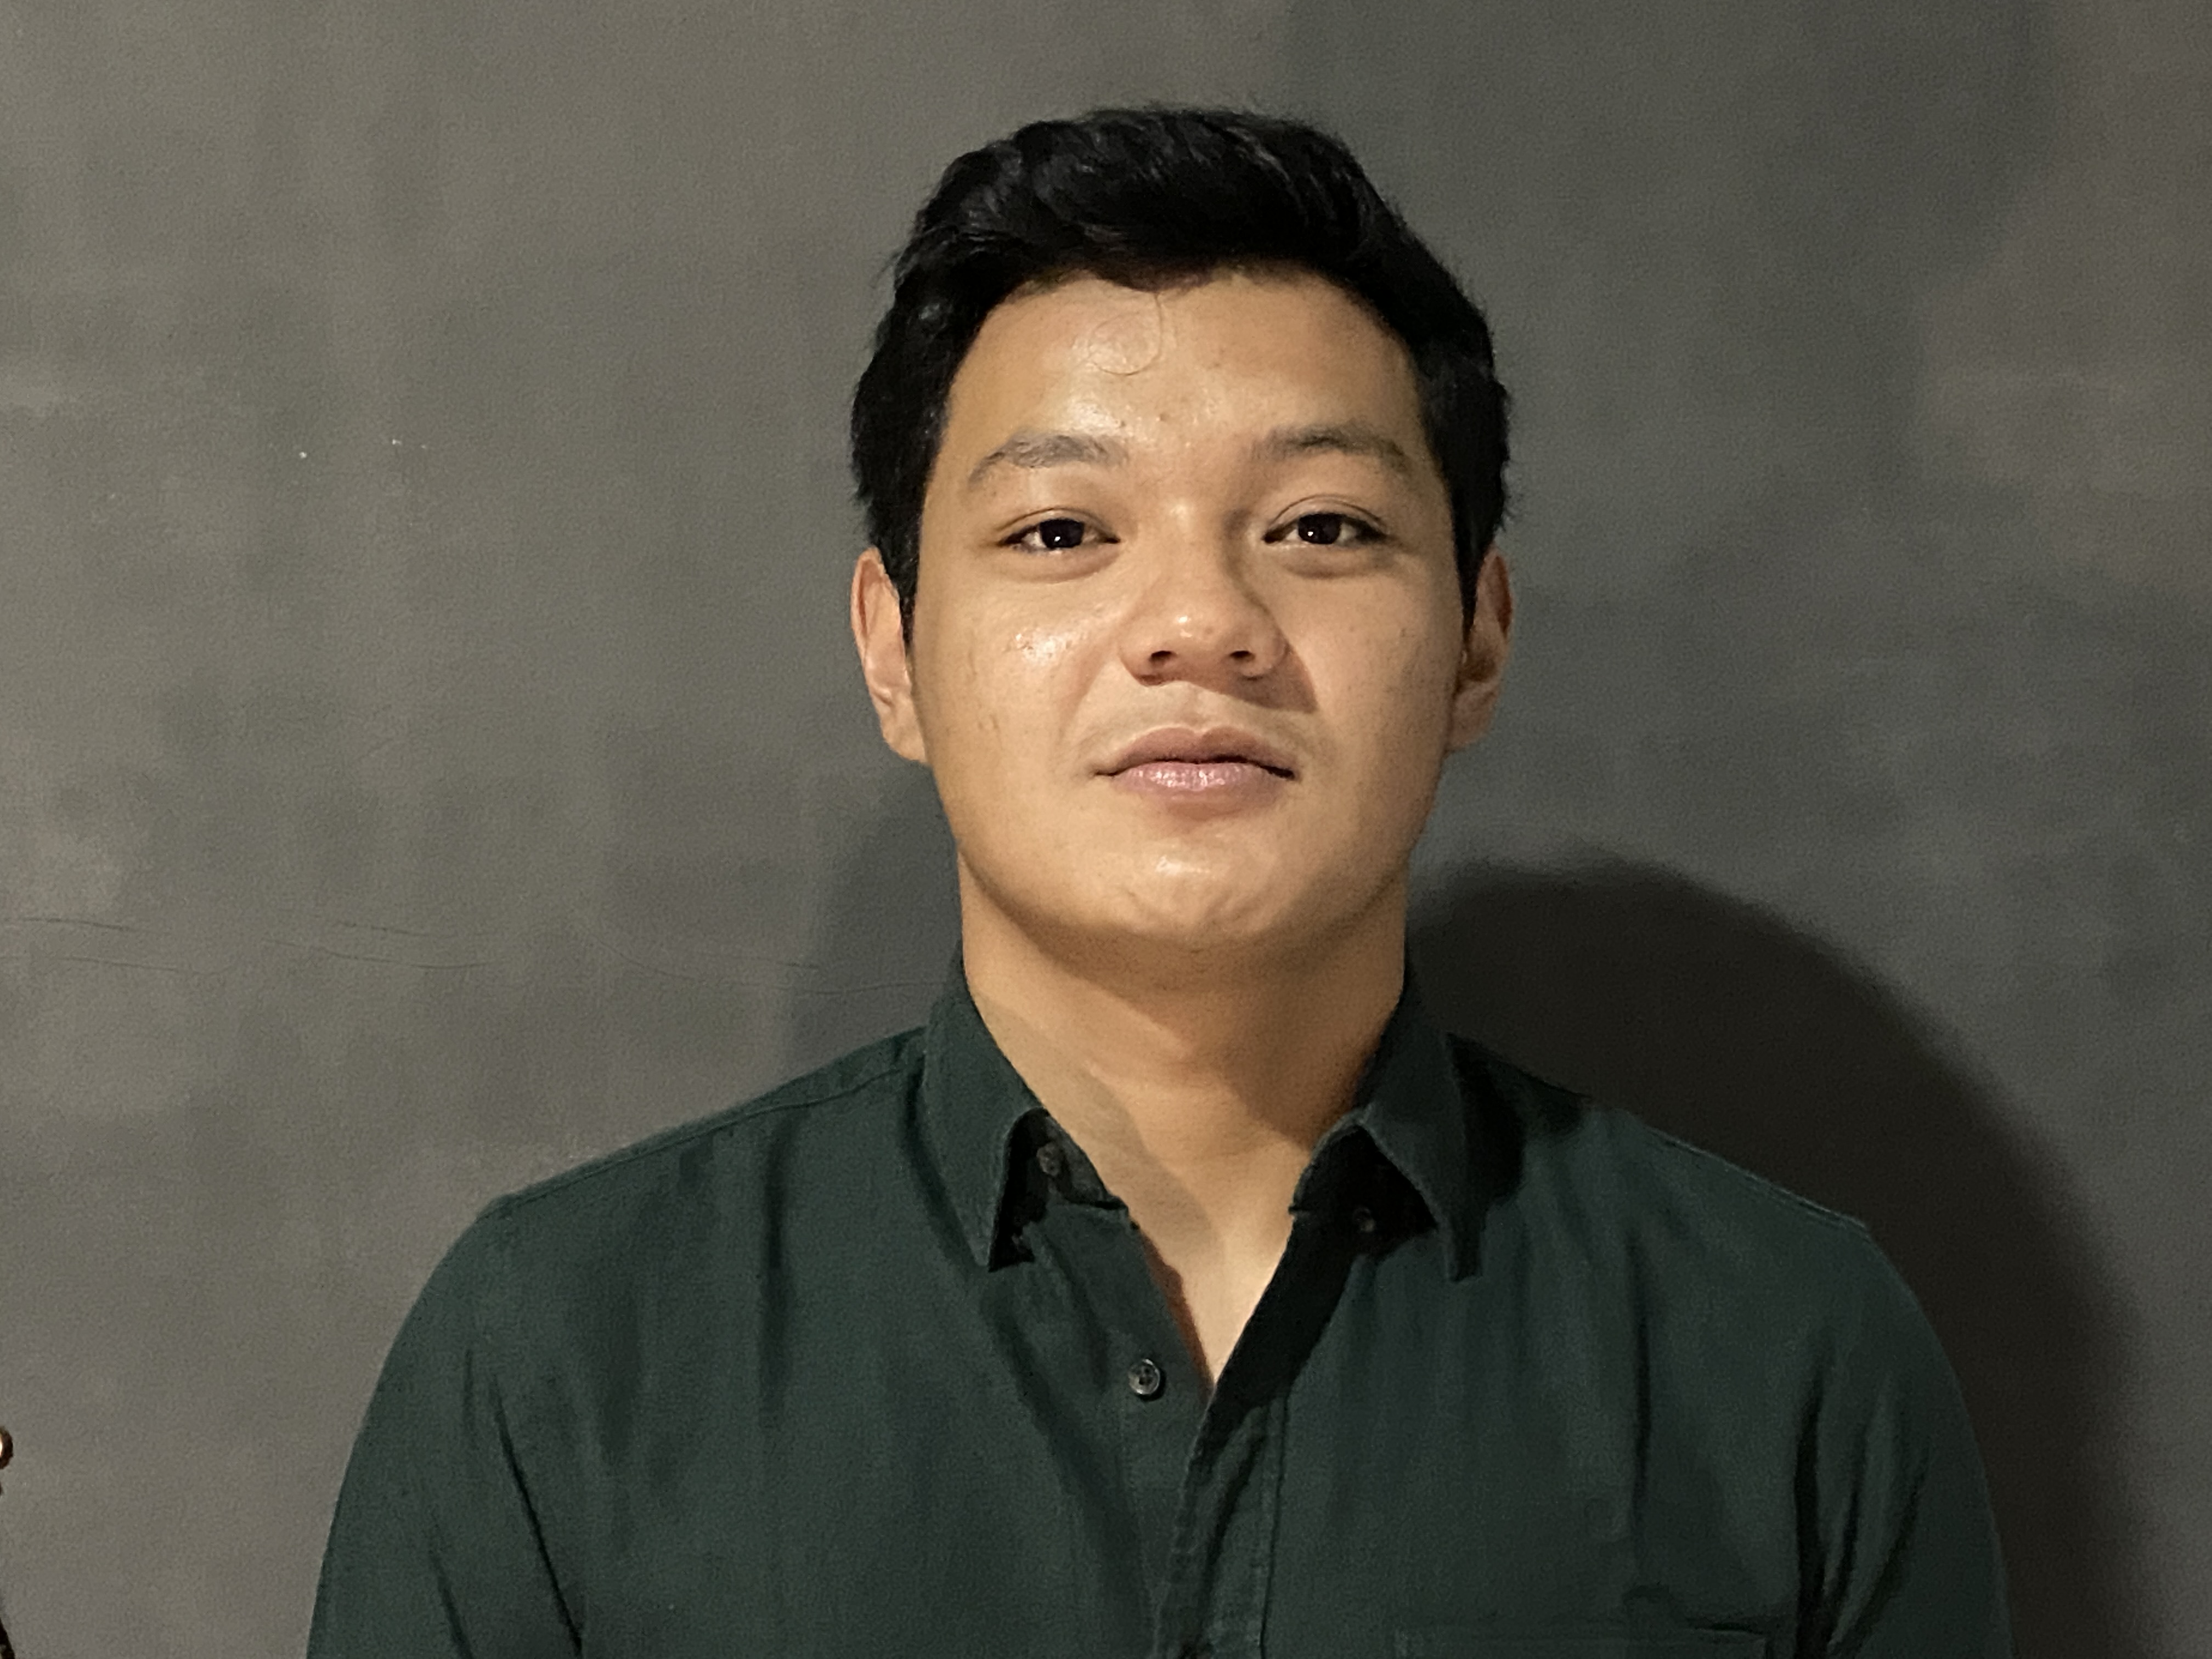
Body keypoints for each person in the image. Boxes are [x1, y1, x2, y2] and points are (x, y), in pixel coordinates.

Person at [307, 105, 2012, 1657]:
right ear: (893, 650)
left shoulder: (1782, 1352)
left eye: (1321, 527)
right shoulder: (560, 1351)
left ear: (1478, 638)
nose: (1201, 625)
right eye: (1062, 532)